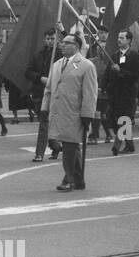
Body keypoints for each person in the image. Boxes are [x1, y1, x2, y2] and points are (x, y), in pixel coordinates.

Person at [40, 32, 98, 192]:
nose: (62, 45)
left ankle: (69, 179)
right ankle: (79, 180)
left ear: (77, 46)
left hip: (74, 113)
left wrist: (88, 114)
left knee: (69, 147)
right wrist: (44, 108)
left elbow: (90, 93)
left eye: (66, 42)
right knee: (69, 145)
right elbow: (49, 88)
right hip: (58, 112)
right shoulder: (57, 64)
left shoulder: (86, 66)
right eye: (62, 43)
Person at [103, 30, 139, 155]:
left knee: (124, 119)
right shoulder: (114, 55)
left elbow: (135, 76)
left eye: (122, 38)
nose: (119, 40)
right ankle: (129, 144)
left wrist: (120, 71)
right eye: (118, 37)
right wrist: (103, 86)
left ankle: (117, 145)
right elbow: (107, 73)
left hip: (127, 92)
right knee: (111, 116)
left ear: (129, 40)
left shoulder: (134, 55)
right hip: (115, 92)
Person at [26, 28, 61, 162]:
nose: (50, 41)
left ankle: (39, 153)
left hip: (56, 94)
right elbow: (28, 71)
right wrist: (40, 78)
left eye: (53, 38)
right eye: (48, 38)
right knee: (44, 122)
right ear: (44, 39)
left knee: (46, 124)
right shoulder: (38, 55)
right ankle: (55, 146)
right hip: (40, 92)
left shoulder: (61, 55)